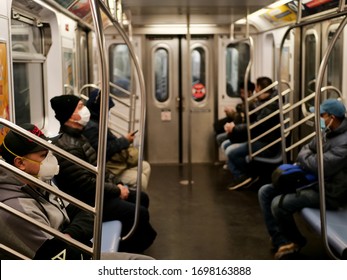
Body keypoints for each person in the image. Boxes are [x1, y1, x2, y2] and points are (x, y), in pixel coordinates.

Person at [0, 123, 153, 260]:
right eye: (43, 155)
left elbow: (85, 214)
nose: (51, 158)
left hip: (79, 249)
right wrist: (71, 238)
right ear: (20, 163)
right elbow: (60, 258)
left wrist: (69, 235)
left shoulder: (39, 181)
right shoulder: (15, 209)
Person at [50, 94, 157, 253]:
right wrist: (116, 191)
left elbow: (99, 168)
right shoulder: (68, 146)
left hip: (98, 193)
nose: (85, 110)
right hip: (88, 201)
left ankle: (133, 238)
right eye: (80, 107)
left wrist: (118, 184)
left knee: (142, 197)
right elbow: (86, 185)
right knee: (138, 212)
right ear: (70, 116)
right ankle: (128, 251)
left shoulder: (79, 136)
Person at [258, 99, 347, 259]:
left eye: (321, 115)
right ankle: (280, 239)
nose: (318, 118)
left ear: (332, 117)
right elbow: (306, 149)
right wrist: (310, 158)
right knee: (265, 192)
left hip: (330, 193)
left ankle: (296, 241)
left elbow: (320, 165)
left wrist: (309, 158)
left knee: (278, 204)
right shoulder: (327, 131)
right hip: (314, 183)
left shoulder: (345, 142)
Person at [83, 89, 151, 190]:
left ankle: (136, 196)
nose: (108, 112)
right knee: (140, 179)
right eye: (107, 109)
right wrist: (125, 141)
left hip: (113, 163)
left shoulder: (97, 121)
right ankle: (133, 200)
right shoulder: (91, 127)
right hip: (108, 167)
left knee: (145, 166)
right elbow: (102, 150)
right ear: (99, 109)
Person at [225, 77, 281, 190]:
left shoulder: (271, 105)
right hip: (261, 138)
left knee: (232, 153)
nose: (255, 91)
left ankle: (244, 176)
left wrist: (235, 128)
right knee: (228, 147)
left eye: (256, 88)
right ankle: (247, 175)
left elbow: (256, 125)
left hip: (267, 143)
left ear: (260, 88)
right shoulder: (264, 102)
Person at [214, 81, 256, 147]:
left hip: (243, 131)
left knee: (220, 137)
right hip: (239, 126)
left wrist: (232, 114)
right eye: (240, 92)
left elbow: (241, 118)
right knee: (218, 126)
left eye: (243, 93)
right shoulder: (244, 103)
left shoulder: (251, 104)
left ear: (250, 93)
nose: (241, 95)